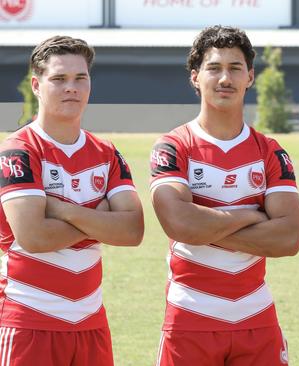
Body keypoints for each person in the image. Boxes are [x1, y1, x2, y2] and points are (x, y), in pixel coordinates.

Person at [149, 25, 299, 366]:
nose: (225, 78)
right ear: (195, 77)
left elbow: (289, 238)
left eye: (235, 68)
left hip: (256, 314)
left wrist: (207, 222)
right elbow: (181, 224)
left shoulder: (270, 151)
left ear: (250, 76)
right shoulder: (174, 147)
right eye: (214, 68)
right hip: (190, 314)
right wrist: (252, 214)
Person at [0, 35, 144, 365]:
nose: (72, 88)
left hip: (90, 323)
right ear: (36, 85)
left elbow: (133, 230)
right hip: (28, 323)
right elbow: (34, 236)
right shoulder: (19, 151)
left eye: (81, 78)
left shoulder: (106, 153)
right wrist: (101, 217)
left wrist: (62, 210)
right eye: (59, 79)